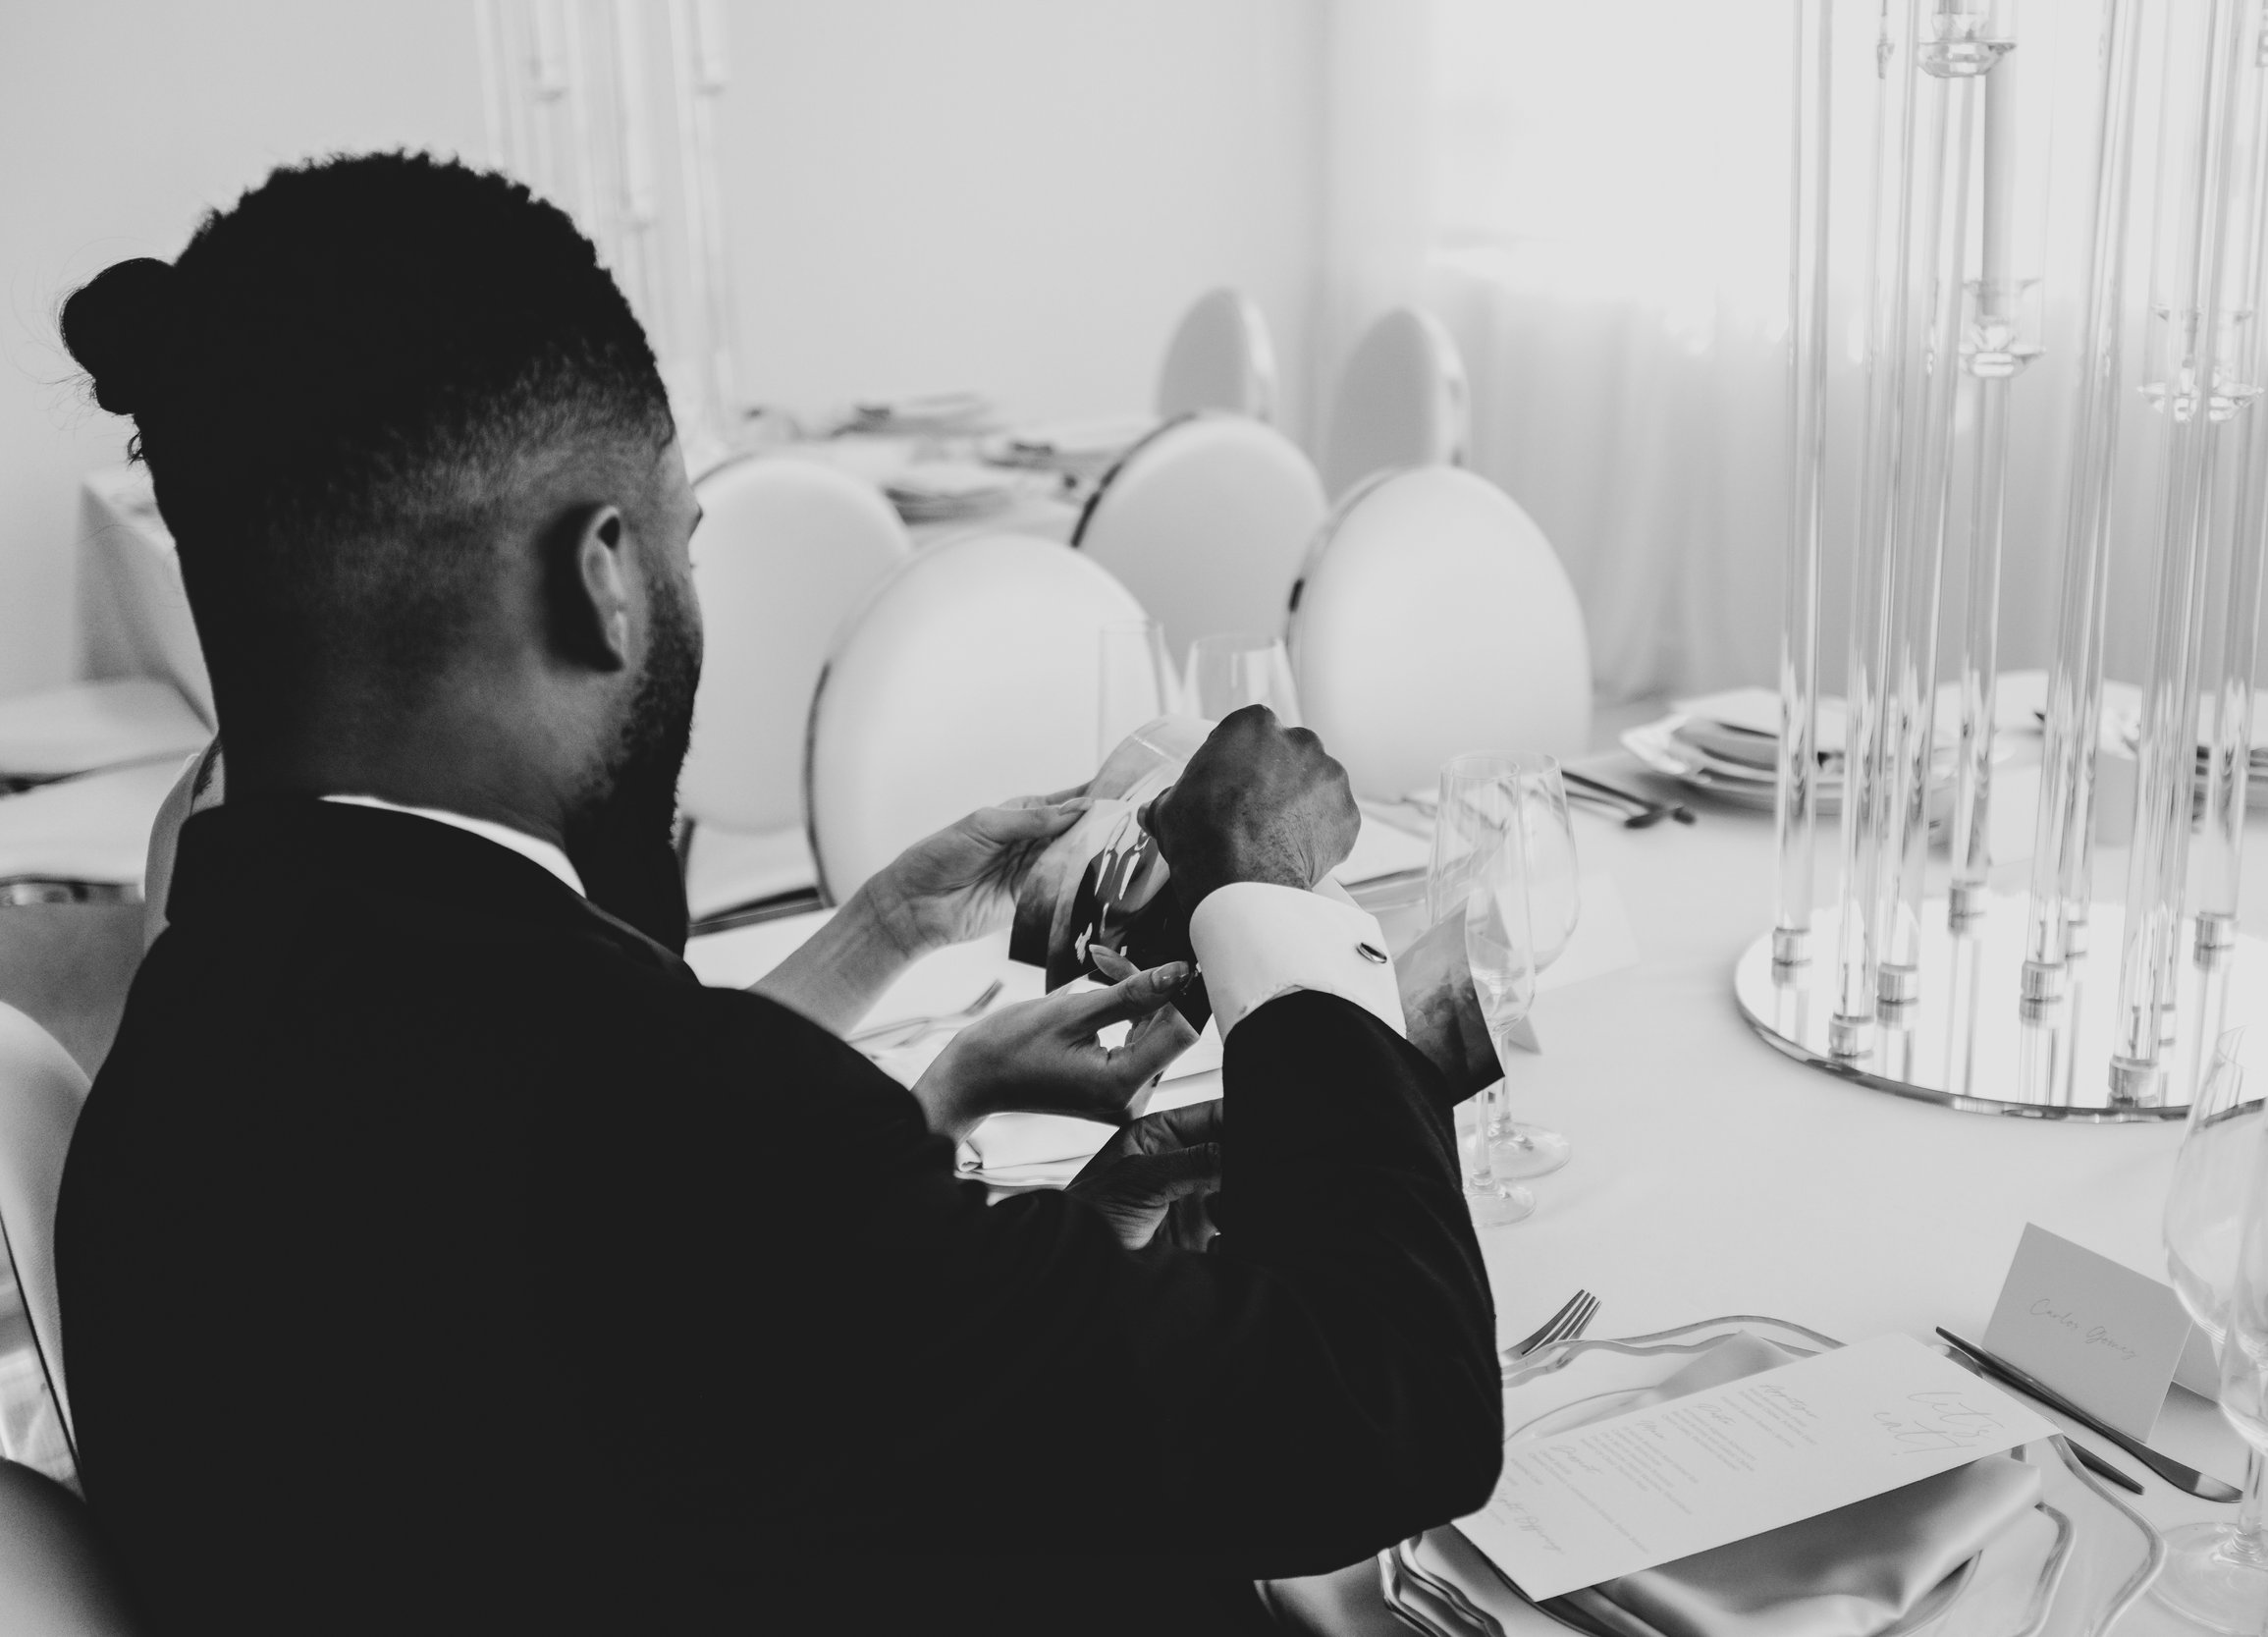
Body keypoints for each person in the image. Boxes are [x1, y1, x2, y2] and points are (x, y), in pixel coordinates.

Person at [53, 152, 1499, 1635]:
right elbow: (1390, 1401)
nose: (689, 584)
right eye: (685, 537)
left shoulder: (197, 1027)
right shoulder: (683, 1153)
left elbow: (618, 1305)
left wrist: (895, 973)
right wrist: (1266, 894)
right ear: (602, 581)